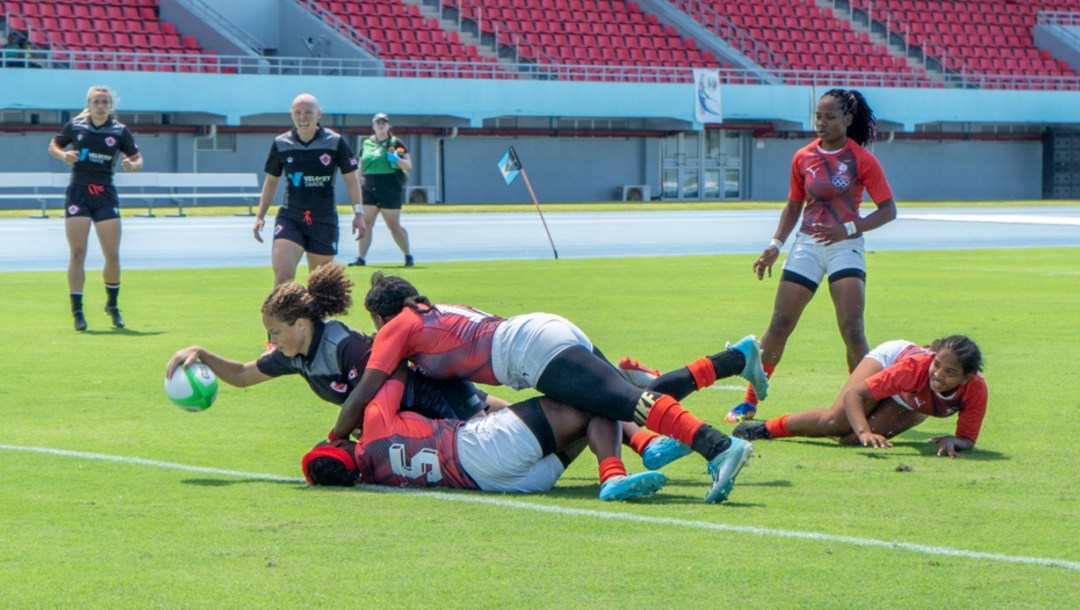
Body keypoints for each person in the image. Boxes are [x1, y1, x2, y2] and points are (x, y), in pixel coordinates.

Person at [329, 272, 769, 504]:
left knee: (627, 400)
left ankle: (716, 447)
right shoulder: (429, 311)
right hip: (539, 335)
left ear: (380, 316)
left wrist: (335, 438)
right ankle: (734, 359)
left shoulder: (397, 327)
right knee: (616, 399)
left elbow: (366, 390)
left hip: (529, 351)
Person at [728, 88, 898, 423]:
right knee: (780, 323)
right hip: (806, 245)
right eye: (819, 116)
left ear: (847, 120)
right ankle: (749, 401)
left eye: (830, 117)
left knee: (851, 328)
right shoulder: (803, 157)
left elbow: (888, 210)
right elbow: (793, 206)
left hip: (845, 247)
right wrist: (775, 245)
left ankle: (864, 401)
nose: (821, 122)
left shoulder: (861, 160)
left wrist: (849, 229)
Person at [167, 264, 496, 423]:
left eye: (275, 332)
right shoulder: (292, 354)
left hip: (433, 399)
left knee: (504, 424)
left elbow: (386, 385)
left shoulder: (344, 346)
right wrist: (202, 354)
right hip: (416, 418)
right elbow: (241, 375)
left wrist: (350, 431)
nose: (271, 341)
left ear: (300, 324)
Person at [303, 378, 666, 501]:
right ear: (337, 447)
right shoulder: (374, 427)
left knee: (588, 417)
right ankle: (617, 472)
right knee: (590, 392)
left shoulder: (373, 477)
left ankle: (640, 449)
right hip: (484, 447)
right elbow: (388, 373)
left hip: (509, 485)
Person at [732, 336, 987, 457]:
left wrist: (954, 440)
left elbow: (967, 438)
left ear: (966, 378)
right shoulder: (915, 368)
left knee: (849, 441)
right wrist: (865, 431)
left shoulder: (975, 390)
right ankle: (767, 428)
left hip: (911, 400)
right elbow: (855, 395)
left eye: (950, 372)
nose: (939, 375)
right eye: (938, 364)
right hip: (889, 362)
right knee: (834, 424)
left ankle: (856, 430)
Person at [48, 85, 144, 331]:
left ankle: (112, 306)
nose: (100, 106)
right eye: (96, 102)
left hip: (105, 195)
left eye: (104, 102)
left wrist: (133, 165)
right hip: (78, 193)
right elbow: (54, 146)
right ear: (89, 104)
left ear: (111, 105)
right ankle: (77, 311)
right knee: (78, 252)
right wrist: (62, 155)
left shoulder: (119, 131)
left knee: (112, 254)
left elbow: (137, 158)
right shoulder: (76, 126)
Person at [254, 93, 366, 286]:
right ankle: (283, 317)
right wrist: (260, 216)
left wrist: (359, 213)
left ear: (319, 114)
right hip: (291, 217)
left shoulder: (335, 142)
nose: (303, 117)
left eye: (308, 112)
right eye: (298, 112)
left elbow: (352, 180)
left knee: (320, 284)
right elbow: (271, 181)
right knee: (283, 277)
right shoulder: (281, 143)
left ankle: (312, 317)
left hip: (323, 218)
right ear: (291, 115)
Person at [347, 113, 414, 268]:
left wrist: (397, 159)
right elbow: (361, 166)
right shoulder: (367, 144)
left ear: (389, 125)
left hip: (389, 186)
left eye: (384, 122)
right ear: (373, 126)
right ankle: (361, 258)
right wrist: (357, 182)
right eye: (378, 123)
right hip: (370, 186)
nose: (381, 125)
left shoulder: (395, 142)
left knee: (393, 225)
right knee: (367, 223)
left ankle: (407, 255)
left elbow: (408, 165)